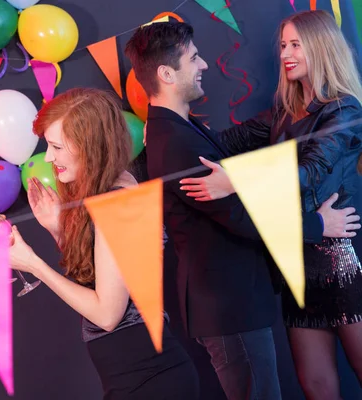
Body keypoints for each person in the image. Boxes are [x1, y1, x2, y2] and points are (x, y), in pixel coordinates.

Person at [124, 20, 360, 400]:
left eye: (295, 45)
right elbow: (218, 155)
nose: (284, 54)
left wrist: (237, 180)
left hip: (338, 253)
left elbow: (313, 170)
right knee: (313, 383)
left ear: (320, 48)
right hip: (288, 264)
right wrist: (124, 171)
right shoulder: (280, 114)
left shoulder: (344, 109)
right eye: (283, 45)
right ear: (168, 73)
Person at [7, 87, 199, 400]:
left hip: (149, 379)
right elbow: (102, 278)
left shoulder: (117, 203)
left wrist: (33, 265)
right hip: (136, 376)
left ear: (88, 145)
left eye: (56, 146)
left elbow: (108, 315)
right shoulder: (118, 185)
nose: (50, 157)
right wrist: (59, 230)